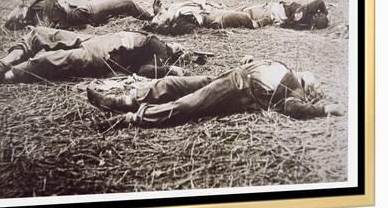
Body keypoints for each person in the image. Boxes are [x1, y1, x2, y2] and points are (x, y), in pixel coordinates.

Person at [86, 56, 343, 129]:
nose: (313, 79)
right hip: (232, 75)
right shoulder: (285, 67)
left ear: (308, 89)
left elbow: (292, 108)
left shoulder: (294, 89)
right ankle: (120, 101)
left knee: (187, 105)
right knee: (173, 85)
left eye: (315, 84)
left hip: (237, 89)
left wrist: (322, 109)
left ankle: (129, 118)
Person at [0, 26, 185, 85]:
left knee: (50, 60)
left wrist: (170, 69)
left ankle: (2, 76)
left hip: (104, 55)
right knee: (40, 34)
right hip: (95, 39)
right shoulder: (153, 38)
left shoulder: (162, 52)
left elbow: (145, 71)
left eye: (180, 48)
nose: (178, 45)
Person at [146, 0, 329, 34]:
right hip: (270, 10)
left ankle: (254, 20)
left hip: (212, 9)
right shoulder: (301, 12)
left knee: (241, 13)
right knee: (243, 16)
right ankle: (256, 23)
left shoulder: (177, 9)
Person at [5, 0, 154, 30]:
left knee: (121, 6)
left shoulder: (37, 11)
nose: (22, 7)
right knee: (127, 2)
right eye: (19, 12)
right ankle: (154, 19)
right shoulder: (38, 15)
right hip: (88, 10)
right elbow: (51, 26)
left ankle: (148, 15)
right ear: (21, 18)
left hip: (85, 6)